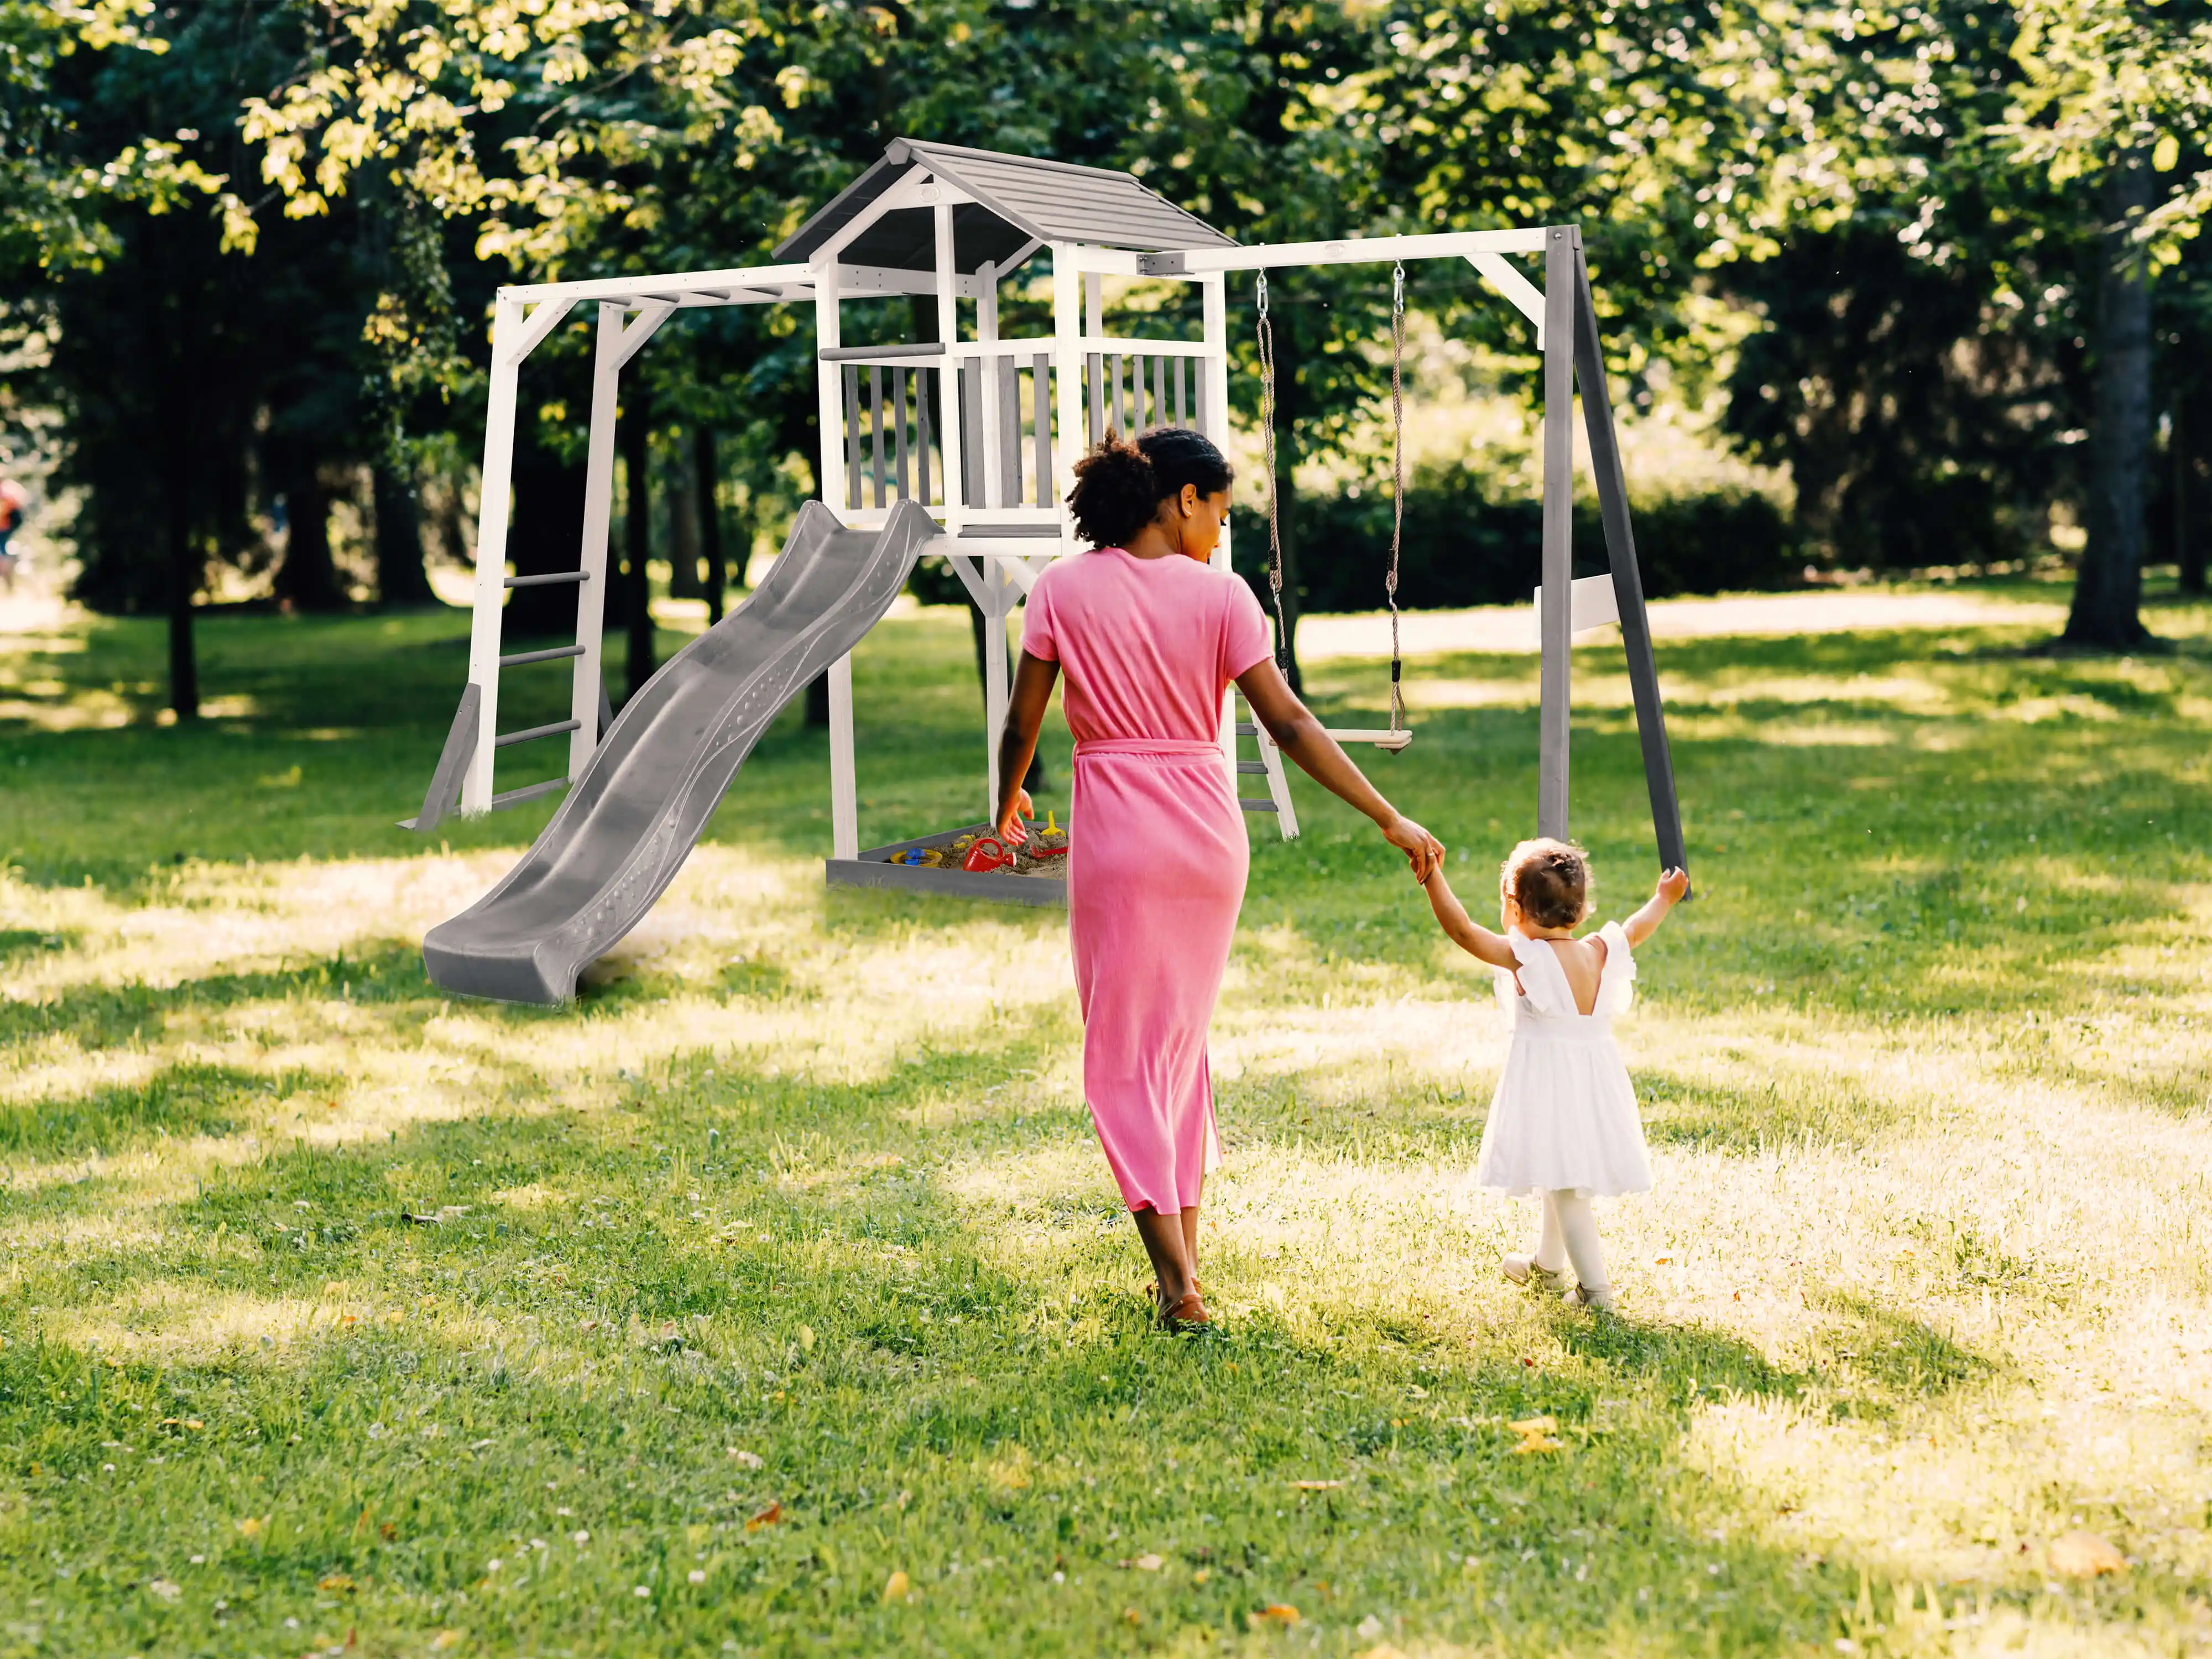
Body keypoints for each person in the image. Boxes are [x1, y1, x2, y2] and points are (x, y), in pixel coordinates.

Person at [993, 427, 1443, 1331]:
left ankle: (1177, 1285)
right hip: (1207, 837)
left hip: (1119, 837)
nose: (1221, 533)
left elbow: (1022, 724)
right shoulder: (1223, 598)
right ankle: (1186, 1267)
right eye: (1221, 512)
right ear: (1183, 499)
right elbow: (1290, 725)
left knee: (1123, 1058)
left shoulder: (1060, 590)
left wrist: (1003, 807)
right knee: (1177, 1051)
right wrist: (1386, 814)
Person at [1418, 838, 1689, 1311]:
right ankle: (1547, 1267)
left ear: (1515, 907)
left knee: (1566, 1187)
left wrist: (1431, 875)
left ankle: (1596, 1291)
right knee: (1556, 1169)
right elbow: (1635, 928)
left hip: (1551, 1083)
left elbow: (1462, 931)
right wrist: (1663, 899)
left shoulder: (1528, 959)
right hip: (1593, 1081)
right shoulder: (1598, 951)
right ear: (1580, 912)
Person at [0, 477, 27, 593]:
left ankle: (8, 581)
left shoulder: (5, 494)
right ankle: (9, 583)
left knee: (3, 555)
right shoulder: (8, 492)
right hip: (5, 528)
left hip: (3, 528)